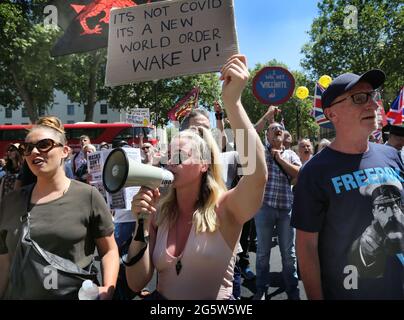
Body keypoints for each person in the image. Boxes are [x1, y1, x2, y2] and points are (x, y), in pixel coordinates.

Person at [124, 54, 267, 300]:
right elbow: (136, 283)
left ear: (204, 165)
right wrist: (142, 227)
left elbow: (257, 174)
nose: (170, 162)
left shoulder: (226, 209)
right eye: (169, 156)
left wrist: (232, 103)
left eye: (180, 156)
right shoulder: (159, 212)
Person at [291, 69, 404, 299]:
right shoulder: (314, 171)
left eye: (372, 96)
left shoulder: (392, 156)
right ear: (332, 114)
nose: (372, 105)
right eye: (359, 98)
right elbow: (306, 247)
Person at [0, 116, 119, 299]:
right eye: (28, 148)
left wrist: (107, 289)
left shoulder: (88, 196)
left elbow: (109, 250)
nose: (34, 152)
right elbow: (4, 262)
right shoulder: (10, 202)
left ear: (65, 151)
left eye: (44, 144)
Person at [254, 106, 302, 300]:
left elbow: (299, 174)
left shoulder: (290, 155)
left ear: (284, 136)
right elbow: (248, 133)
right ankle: (261, 289)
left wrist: (280, 159)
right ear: (267, 135)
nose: (276, 131)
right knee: (263, 252)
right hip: (264, 208)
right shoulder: (261, 152)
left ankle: (293, 291)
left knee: (288, 254)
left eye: (279, 129)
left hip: (286, 210)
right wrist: (268, 115)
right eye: (272, 129)